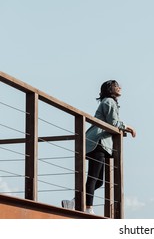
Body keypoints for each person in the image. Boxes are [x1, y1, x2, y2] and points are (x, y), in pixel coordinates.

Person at [62, 80, 136, 214]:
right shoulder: (109, 101)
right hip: (98, 142)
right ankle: (88, 208)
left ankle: (73, 202)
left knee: (98, 181)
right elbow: (113, 122)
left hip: (99, 143)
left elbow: (111, 122)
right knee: (93, 177)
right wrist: (128, 127)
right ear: (109, 89)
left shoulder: (109, 102)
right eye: (116, 85)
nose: (120, 87)